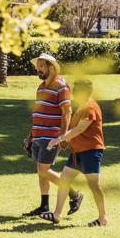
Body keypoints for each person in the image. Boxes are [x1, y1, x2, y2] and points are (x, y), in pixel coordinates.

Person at [22, 53, 84, 217]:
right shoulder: (41, 87)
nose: (39, 69)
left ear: (51, 67)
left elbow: (67, 111)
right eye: (38, 67)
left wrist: (63, 136)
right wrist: (30, 136)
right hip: (38, 135)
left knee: (44, 170)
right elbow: (38, 113)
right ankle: (44, 206)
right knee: (40, 170)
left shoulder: (61, 85)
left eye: (42, 66)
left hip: (52, 136)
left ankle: (75, 195)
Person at [42, 79, 108, 227]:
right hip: (78, 152)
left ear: (83, 92)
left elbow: (79, 129)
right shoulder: (82, 106)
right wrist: (67, 140)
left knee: (94, 185)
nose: (72, 94)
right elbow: (76, 131)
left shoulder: (91, 107)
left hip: (90, 151)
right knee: (64, 180)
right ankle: (56, 214)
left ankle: (103, 219)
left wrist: (58, 139)